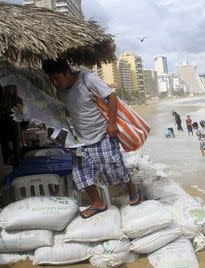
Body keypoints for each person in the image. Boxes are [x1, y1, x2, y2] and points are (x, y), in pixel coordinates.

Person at [42, 58, 143, 218]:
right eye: (51, 79)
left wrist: (111, 124)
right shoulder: (61, 90)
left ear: (67, 73)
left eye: (57, 78)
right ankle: (98, 203)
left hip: (103, 133)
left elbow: (112, 98)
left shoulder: (87, 79)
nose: (55, 83)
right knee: (81, 174)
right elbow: (68, 110)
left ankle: (133, 190)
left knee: (115, 167)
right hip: (81, 140)